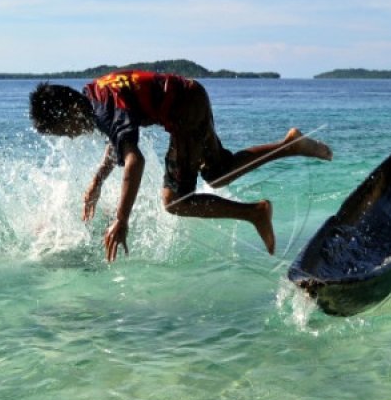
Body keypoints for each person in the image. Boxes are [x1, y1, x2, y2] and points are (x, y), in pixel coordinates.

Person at [29, 70, 332, 262]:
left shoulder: (102, 110)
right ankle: (290, 146)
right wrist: (97, 181)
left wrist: (122, 220)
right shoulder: (95, 93)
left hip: (184, 109)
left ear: (67, 109)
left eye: (63, 129)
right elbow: (118, 141)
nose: (68, 136)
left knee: (175, 202)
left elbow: (135, 160)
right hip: (191, 94)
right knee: (218, 172)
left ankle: (254, 212)